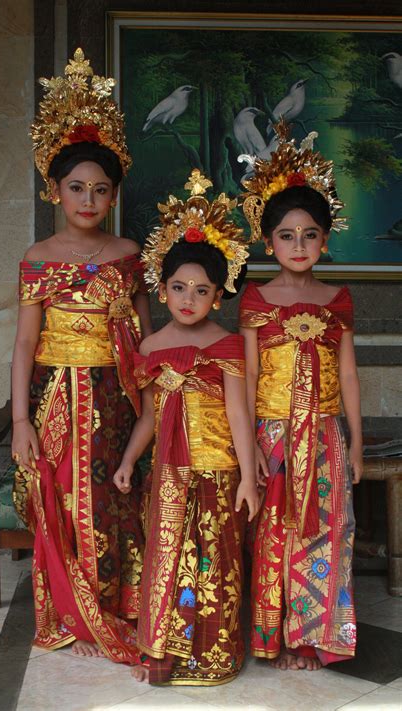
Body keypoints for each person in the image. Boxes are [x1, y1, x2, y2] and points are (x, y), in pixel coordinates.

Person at [11, 49, 152, 664]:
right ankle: (71, 609)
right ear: (54, 191)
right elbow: (23, 344)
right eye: (76, 188)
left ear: (115, 194)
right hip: (58, 396)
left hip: (120, 393)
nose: (88, 199)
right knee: (66, 496)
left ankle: (122, 602)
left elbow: (146, 340)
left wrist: (155, 402)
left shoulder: (127, 256)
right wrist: (19, 421)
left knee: (120, 491)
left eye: (100, 189)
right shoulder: (39, 258)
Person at [113, 170, 259, 685]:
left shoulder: (228, 346)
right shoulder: (150, 350)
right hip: (170, 470)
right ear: (162, 288)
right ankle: (162, 653)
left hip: (219, 470)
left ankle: (213, 655)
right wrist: (130, 460)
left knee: (217, 561)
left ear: (219, 295)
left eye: (202, 290)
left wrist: (246, 476)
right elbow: (151, 416)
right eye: (178, 287)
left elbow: (240, 414)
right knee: (167, 556)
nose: (188, 299)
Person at [239, 121, 362, 671]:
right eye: (286, 236)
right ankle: (276, 639)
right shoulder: (255, 299)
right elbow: (243, 377)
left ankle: (316, 639)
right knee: (274, 534)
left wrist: (356, 446)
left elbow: (350, 375)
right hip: (274, 435)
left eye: (309, 234)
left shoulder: (336, 300)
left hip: (327, 436)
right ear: (268, 242)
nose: (298, 245)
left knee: (327, 532)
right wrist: (252, 455)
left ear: (325, 240)